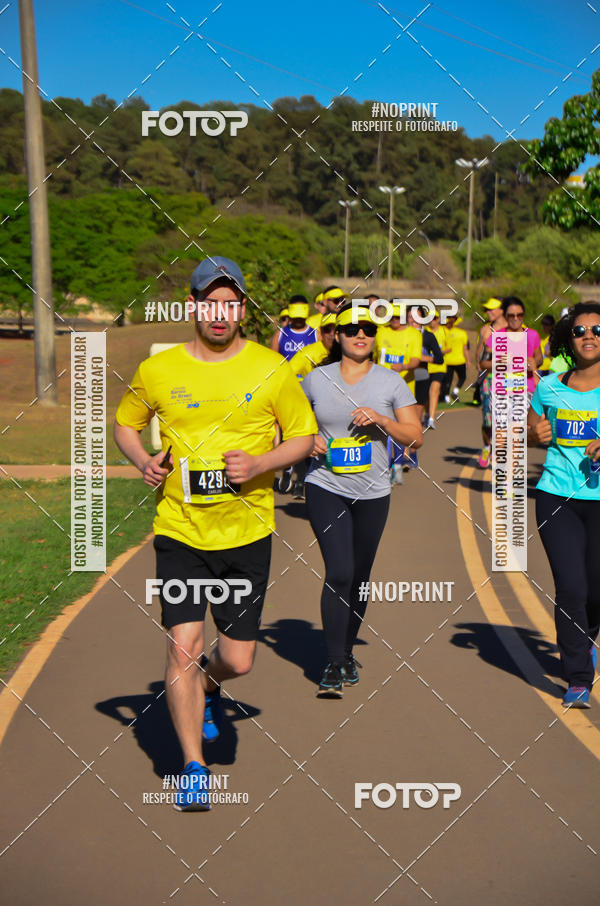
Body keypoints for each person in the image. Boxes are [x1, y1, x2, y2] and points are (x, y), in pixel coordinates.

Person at [114, 256, 317, 809]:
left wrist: (260, 463)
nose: (220, 313)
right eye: (210, 302)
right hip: (180, 531)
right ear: (194, 307)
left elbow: (303, 437)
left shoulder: (272, 369)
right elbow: (125, 422)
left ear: (243, 309)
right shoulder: (160, 371)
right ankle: (193, 767)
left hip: (247, 533)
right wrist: (143, 462)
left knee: (239, 660)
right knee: (183, 646)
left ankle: (207, 686)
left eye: (230, 303)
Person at [301, 303, 423, 696]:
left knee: (360, 577)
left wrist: (384, 421)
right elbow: (286, 426)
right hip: (325, 485)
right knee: (338, 571)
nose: (360, 335)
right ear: (337, 335)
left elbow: (415, 436)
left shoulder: (391, 382)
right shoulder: (316, 379)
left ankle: (349, 649)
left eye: (368, 329)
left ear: (374, 336)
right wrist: (308, 441)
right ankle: (334, 663)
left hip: (373, 492)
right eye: (352, 328)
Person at [527, 302, 600, 708]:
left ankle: (584, 639)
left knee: (595, 588)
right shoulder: (549, 386)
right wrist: (533, 436)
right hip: (558, 497)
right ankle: (577, 676)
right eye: (580, 330)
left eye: (598, 330)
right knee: (571, 586)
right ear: (568, 339)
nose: (589, 336)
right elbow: (530, 429)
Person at [483, 296, 542, 404]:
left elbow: (539, 358)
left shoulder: (532, 335)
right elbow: (483, 363)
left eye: (519, 315)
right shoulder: (496, 336)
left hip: (526, 391)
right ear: (505, 315)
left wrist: (532, 362)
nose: (516, 318)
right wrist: (499, 363)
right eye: (511, 315)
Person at [475, 298, 507, 469]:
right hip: (488, 378)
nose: (488, 312)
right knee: (488, 419)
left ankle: (501, 451)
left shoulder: (513, 329)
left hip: (507, 379)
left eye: (492, 309)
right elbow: (478, 354)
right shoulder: (485, 329)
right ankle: (487, 446)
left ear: (502, 310)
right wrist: (480, 367)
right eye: (487, 309)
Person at [408, 305, 444, 428]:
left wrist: (420, 358)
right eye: (410, 317)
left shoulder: (428, 336)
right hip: (403, 377)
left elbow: (439, 359)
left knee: (415, 419)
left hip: (420, 376)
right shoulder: (401, 335)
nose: (413, 320)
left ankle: (413, 446)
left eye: (417, 317)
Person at [270, 295, 318, 359]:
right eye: (296, 317)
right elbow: (273, 359)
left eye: (301, 317)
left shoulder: (316, 335)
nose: (298, 320)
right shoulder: (279, 334)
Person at [427, 311, 451, 427]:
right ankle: (427, 413)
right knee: (426, 393)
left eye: (434, 318)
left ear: (438, 320)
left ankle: (431, 419)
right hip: (426, 366)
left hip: (439, 366)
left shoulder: (444, 331)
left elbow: (449, 348)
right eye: (430, 318)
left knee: (434, 390)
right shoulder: (424, 331)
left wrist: (437, 351)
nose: (432, 321)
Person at [442, 314, 470, 402]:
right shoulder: (463, 333)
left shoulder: (445, 332)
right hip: (460, 360)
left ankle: (446, 398)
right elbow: (465, 349)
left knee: (448, 380)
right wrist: (468, 360)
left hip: (447, 360)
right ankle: (455, 392)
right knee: (463, 377)